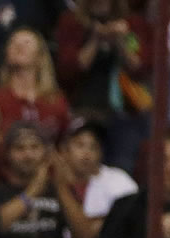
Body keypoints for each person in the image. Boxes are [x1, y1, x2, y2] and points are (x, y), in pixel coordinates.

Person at [55, 0, 153, 172]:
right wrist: (95, 38)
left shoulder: (133, 23)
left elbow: (140, 68)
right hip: (84, 110)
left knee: (123, 167)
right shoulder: (72, 22)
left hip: (124, 114)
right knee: (80, 169)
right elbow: (68, 70)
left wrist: (121, 40)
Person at [0, 27, 70, 148]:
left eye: (27, 43)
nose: (19, 46)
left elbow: (64, 144)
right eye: (14, 42)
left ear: (40, 56)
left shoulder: (56, 102)